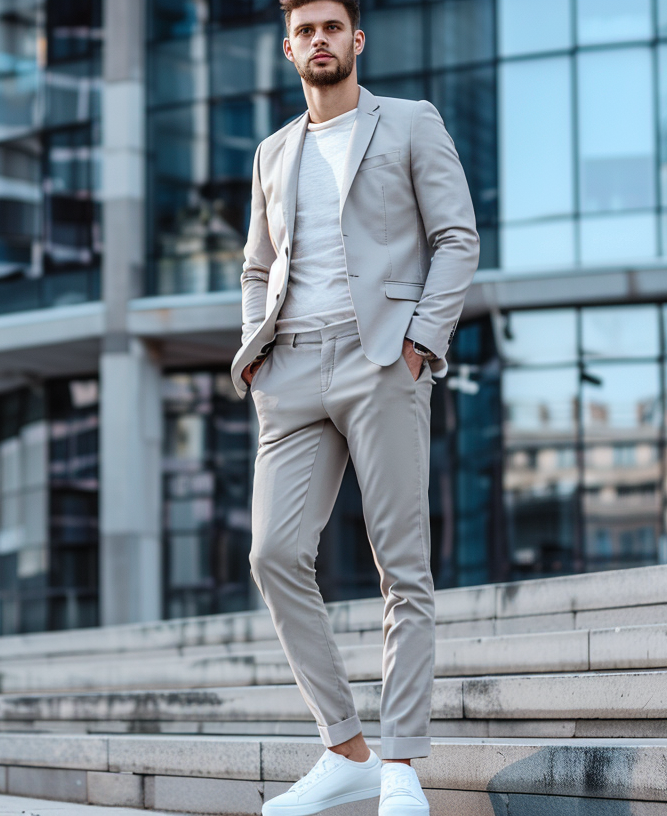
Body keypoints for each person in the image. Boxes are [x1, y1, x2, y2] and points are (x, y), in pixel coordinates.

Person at [228, 1, 479, 813]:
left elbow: (456, 237)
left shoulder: (408, 123)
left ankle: (401, 764)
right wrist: (256, 354)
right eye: (305, 31)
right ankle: (346, 748)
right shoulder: (272, 152)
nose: (319, 41)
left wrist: (421, 341)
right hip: (291, 370)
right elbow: (256, 268)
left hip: (383, 360)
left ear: (355, 39)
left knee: (401, 568)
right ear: (288, 48)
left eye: (332, 27)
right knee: (273, 554)